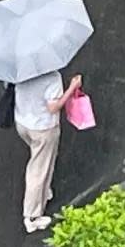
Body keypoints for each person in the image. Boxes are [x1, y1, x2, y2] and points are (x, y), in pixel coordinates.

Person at [14, 70, 82, 233]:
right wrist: (72, 88)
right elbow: (54, 107)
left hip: (23, 123)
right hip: (43, 128)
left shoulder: (19, 71)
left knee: (40, 158)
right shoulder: (52, 77)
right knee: (38, 171)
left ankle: (43, 192)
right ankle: (32, 217)